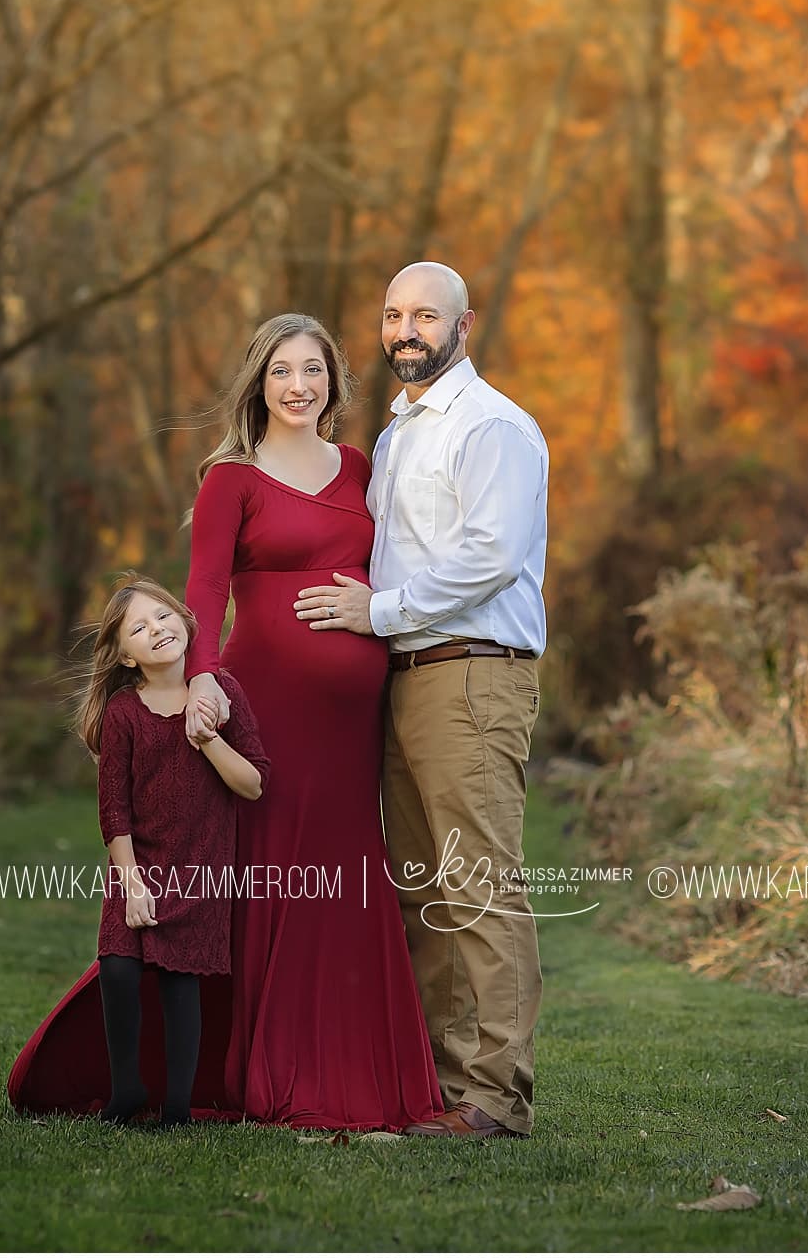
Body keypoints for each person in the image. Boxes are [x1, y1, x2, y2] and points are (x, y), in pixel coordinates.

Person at [290, 260, 549, 1140]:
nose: (407, 330)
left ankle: (496, 1096)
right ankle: (439, 1086)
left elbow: (491, 555)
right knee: (420, 890)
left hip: (472, 672)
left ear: (464, 323)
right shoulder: (401, 432)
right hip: (403, 681)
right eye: (394, 314)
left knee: (476, 885)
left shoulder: (492, 428)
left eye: (426, 316)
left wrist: (380, 612)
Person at [179, 312, 445, 1131]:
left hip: (351, 718)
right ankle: (269, 1062)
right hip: (266, 709)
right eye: (283, 372)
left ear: (334, 381)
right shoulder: (232, 479)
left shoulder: (360, 466)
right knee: (275, 874)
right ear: (259, 383)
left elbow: (392, 567)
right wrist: (199, 682)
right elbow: (203, 592)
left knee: (345, 873)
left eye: (315, 371)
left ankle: (360, 1069)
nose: (300, 386)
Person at [7, 577, 268, 1127]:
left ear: (187, 621)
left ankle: (177, 1106)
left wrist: (208, 739)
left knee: (180, 981)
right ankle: (127, 1090)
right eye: (139, 629)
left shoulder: (222, 692)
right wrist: (131, 884)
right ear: (125, 655)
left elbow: (253, 784)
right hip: (138, 868)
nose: (158, 630)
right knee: (120, 970)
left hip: (201, 869)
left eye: (164, 616)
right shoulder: (125, 714)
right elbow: (114, 810)